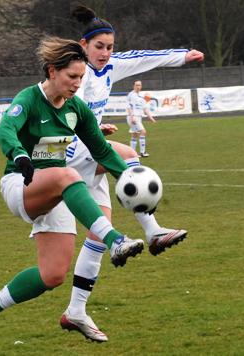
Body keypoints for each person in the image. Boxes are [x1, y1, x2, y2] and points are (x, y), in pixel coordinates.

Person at [0, 36, 145, 344]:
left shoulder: (76, 109)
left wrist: (129, 176)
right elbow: (5, 129)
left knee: (52, 275)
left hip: (57, 189)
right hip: (20, 185)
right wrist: (18, 154)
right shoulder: (29, 99)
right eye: (71, 76)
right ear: (51, 71)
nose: (77, 84)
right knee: (68, 174)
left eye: (81, 77)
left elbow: (101, 151)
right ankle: (115, 240)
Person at [60, 5, 205, 342]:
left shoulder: (110, 66)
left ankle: (76, 310)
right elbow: (58, 110)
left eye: (110, 47)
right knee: (127, 156)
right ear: (83, 45)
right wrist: (91, 129)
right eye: (99, 47)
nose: (105, 53)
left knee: (98, 235)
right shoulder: (71, 73)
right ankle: (152, 231)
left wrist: (183, 56)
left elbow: (146, 57)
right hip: (67, 156)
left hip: (88, 149)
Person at [126, 80, 156, 157]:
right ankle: (142, 152)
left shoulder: (140, 96)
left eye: (139, 85)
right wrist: (132, 117)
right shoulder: (131, 95)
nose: (138, 87)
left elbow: (145, 109)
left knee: (134, 135)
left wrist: (151, 118)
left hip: (138, 117)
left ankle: (132, 154)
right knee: (143, 132)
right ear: (133, 86)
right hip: (133, 117)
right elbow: (129, 107)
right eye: (137, 85)